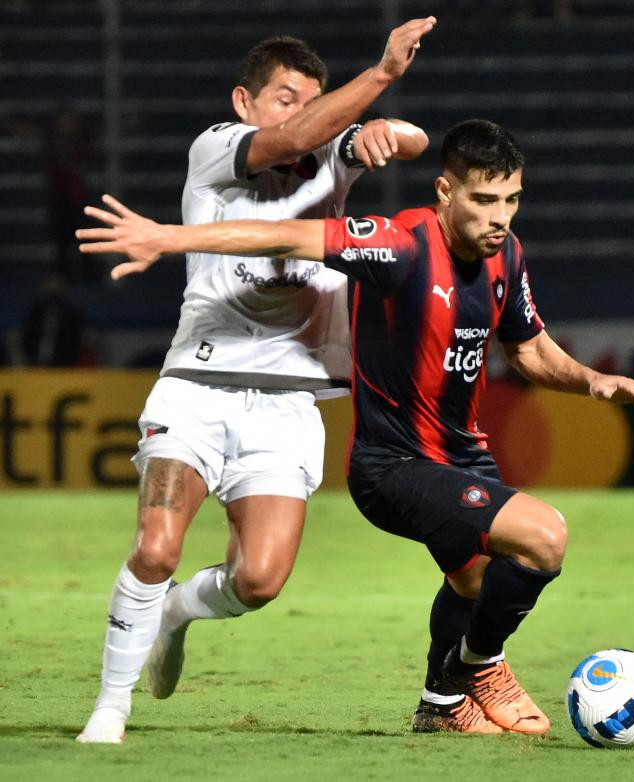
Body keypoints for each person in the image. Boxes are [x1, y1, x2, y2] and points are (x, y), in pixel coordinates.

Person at [77, 119, 634, 736]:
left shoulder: (507, 255)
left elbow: (527, 349)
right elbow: (282, 236)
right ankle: (480, 665)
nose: (501, 216)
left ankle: (439, 707)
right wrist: (169, 238)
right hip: (394, 467)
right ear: (445, 192)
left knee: (473, 580)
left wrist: (591, 380)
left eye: (512, 200)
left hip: (462, 455)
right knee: (545, 537)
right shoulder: (398, 245)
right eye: (484, 199)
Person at [75, 16, 437, 744]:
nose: (299, 111)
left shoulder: (332, 152)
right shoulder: (216, 150)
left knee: (260, 580)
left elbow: (415, 141)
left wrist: (385, 134)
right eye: (283, 96)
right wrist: (381, 77)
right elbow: (293, 140)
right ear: (244, 102)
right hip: (196, 389)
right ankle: (110, 709)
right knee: (155, 546)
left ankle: (176, 613)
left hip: (288, 404)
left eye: (312, 99)